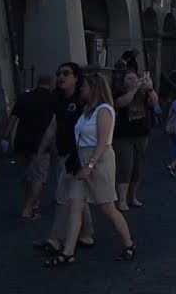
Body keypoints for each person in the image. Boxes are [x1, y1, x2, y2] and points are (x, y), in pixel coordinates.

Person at [45, 72, 136, 266]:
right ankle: (68, 252)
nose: (82, 89)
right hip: (81, 157)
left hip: (99, 160)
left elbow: (102, 142)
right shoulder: (86, 110)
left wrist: (91, 165)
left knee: (108, 208)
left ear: (94, 88)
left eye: (85, 86)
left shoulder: (104, 110)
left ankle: (129, 244)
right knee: (75, 205)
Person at [35, 63, 96, 256]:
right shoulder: (58, 98)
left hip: (76, 154)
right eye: (59, 73)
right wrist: (41, 150)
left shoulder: (81, 100)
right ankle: (86, 233)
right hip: (62, 153)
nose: (61, 77)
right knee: (78, 197)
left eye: (66, 74)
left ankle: (57, 239)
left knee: (63, 197)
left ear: (76, 77)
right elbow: (54, 125)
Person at [2, 74, 56, 220]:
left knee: (26, 174)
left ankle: (29, 200)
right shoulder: (52, 100)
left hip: (22, 140)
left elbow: (13, 119)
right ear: (50, 85)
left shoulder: (24, 97)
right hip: (41, 142)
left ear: (37, 83)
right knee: (39, 175)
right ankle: (31, 206)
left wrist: (5, 137)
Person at [113, 70, 157, 209]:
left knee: (137, 167)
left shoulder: (143, 94)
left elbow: (154, 102)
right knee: (125, 166)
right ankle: (121, 200)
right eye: (129, 78)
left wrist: (150, 88)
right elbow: (121, 103)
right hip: (123, 135)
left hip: (141, 134)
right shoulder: (118, 93)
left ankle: (133, 197)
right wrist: (133, 89)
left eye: (135, 78)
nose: (133, 81)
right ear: (123, 81)